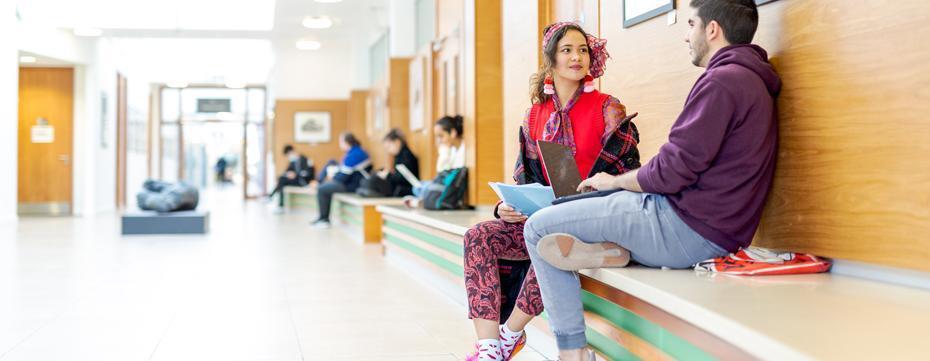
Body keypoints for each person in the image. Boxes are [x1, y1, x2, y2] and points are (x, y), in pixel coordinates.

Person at [523, 1, 780, 360]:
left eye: (691, 23)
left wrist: (613, 182)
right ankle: (612, 249)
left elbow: (670, 171)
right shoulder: (749, 77)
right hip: (703, 224)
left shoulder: (723, 81)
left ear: (712, 29)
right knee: (579, 204)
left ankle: (573, 353)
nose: (686, 35)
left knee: (537, 228)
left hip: (684, 227)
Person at [462, 22, 641, 361]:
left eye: (583, 50)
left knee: (547, 237)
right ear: (551, 60)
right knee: (479, 236)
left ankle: (508, 334)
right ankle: (488, 348)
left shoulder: (609, 108)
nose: (577, 57)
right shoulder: (534, 115)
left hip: (594, 220)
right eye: (567, 50)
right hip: (543, 217)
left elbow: (626, 174)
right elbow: (525, 180)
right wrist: (507, 207)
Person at [312, 132, 371, 228]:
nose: (340, 145)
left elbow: (342, 177)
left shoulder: (355, 154)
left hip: (353, 185)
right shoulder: (355, 152)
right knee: (331, 163)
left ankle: (324, 219)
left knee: (322, 189)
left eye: (340, 142)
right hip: (350, 182)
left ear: (346, 142)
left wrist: (332, 179)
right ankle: (319, 182)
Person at [377, 128, 420, 197]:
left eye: (389, 147)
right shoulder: (400, 156)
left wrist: (388, 175)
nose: (389, 151)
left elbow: (404, 178)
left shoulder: (406, 156)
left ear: (397, 142)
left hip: (409, 190)